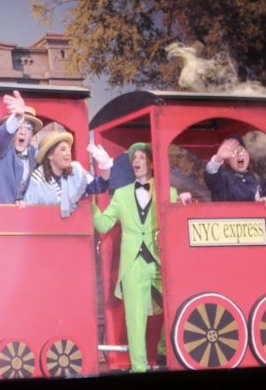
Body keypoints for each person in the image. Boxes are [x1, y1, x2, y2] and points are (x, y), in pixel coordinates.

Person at [93, 143, 191, 373]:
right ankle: (138, 369)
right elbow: (103, 224)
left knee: (177, 307)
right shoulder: (121, 194)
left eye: (141, 157)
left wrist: (183, 203)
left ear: (152, 163)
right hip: (133, 264)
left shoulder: (169, 192)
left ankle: (165, 351)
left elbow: (178, 226)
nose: (136, 161)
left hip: (162, 261)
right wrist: (89, 202)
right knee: (135, 319)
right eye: (134, 158)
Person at [21, 131, 114, 217]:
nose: (68, 153)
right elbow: (29, 213)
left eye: (68, 149)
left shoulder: (75, 171)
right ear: (50, 155)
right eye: (63, 149)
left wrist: (106, 167)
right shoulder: (37, 180)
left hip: (71, 227)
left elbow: (98, 187)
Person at [0, 90, 43, 204]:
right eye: (18, 127)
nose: (22, 132)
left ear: (32, 135)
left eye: (28, 128)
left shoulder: (33, 153)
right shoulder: (1, 148)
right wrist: (16, 120)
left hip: (17, 212)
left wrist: (21, 200)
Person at [204, 135, 266, 208]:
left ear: (248, 155)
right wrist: (218, 158)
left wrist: (264, 202)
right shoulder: (223, 177)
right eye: (233, 152)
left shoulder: (257, 180)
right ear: (227, 161)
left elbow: (262, 208)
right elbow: (211, 176)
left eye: (242, 151)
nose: (239, 155)